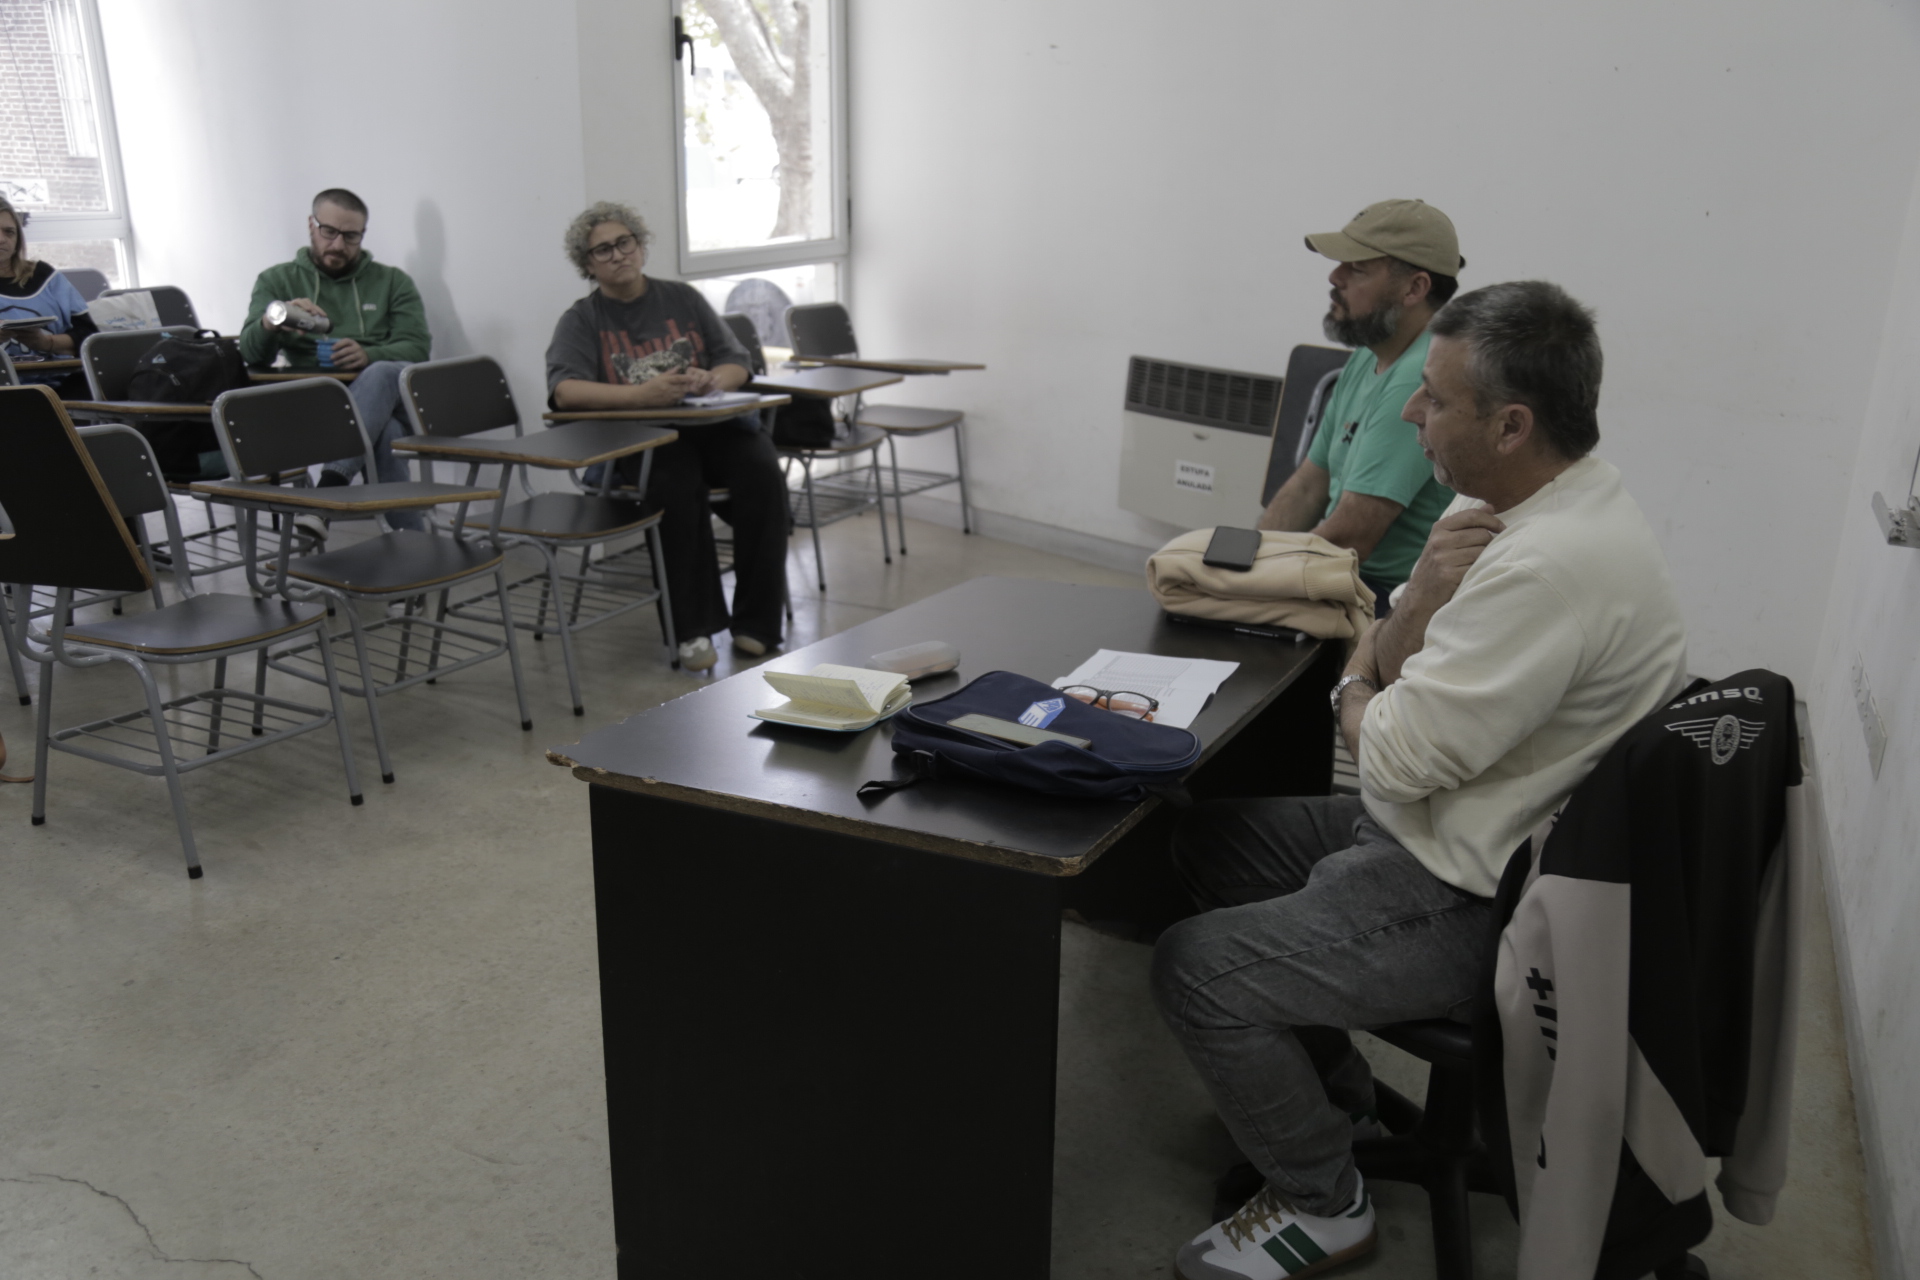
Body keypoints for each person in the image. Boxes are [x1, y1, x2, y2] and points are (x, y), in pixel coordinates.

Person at [1153, 281, 1689, 1280]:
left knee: (1194, 968)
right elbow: (1398, 638)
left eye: (1435, 398)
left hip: (1476, 890)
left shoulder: (1546, 567)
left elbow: (1387, 747)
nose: (1410, 411)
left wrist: (1358, 680)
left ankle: (1325, 1201)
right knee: (1204, 839)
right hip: (1450, 821)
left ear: (1511, 423)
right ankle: (1339, 1103)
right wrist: (1406, 623)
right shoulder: (1530, 507)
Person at [545, 201, 788, 672]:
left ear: (640, 245)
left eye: (624, 242)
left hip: (711, 423)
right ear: (587, 265)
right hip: (643, 437)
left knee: (761, 470)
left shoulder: (682, 298)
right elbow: (565, 391)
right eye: (602, 250)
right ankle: (692, 629)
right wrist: (638, 396)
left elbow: (737, 362)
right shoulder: (582, 320)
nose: (618, 255)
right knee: (675, 486)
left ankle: (757, 624)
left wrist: (712, 380)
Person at [1258, 200, 1464, 610]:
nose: (1335, 277)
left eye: (1358, 268)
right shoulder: (1369, 356)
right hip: (1350, 576)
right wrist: (1249, 555)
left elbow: (1351, 538)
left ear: (1414, 289)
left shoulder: (1422, 375)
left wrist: (1252, 580)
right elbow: (1308, 487)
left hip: (1392, 599)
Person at [240, 188, 430, 531]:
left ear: (363, 235)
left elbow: (418, 347)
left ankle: (327, 492)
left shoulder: (393, 282)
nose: (339, 244)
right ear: (311, 225)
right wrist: (273, 321)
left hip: (387, 394)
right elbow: (251, 354)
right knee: (387, 430)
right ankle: (413, 541)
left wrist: (369, 354)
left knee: (382, 371)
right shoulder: (277, 280)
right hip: (314, 408)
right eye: (329, 231)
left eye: (351, 236)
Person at [0, 195, 97, 396]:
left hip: (62, 383)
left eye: (9, 232)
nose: (2, 239)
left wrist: (45, 343)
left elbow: (89, 336)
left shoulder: (43, 276)